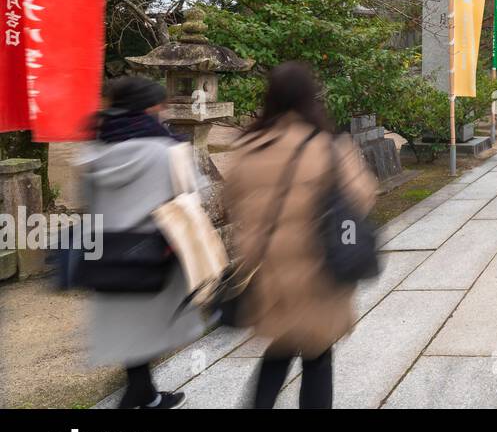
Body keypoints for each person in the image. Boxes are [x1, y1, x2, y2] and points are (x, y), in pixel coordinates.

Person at [225, 63, 378, 409]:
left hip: (269, 270)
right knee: (317, 356)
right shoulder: (328, 148)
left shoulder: (248, 147)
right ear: (310, 98)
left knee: (279, 349)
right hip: (318, 269)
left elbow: (232, 204)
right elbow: (363, 198)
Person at [80, 76, 206, 409]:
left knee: (127, 327)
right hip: (154, 253)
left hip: (107, 252)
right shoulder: (167, 151)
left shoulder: (95, 149)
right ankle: (140, 396)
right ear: (150, 109)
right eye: (160, 106)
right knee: (151, 323)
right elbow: (193, 193)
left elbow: (88, 200)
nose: (163, 112)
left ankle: (142, 392)